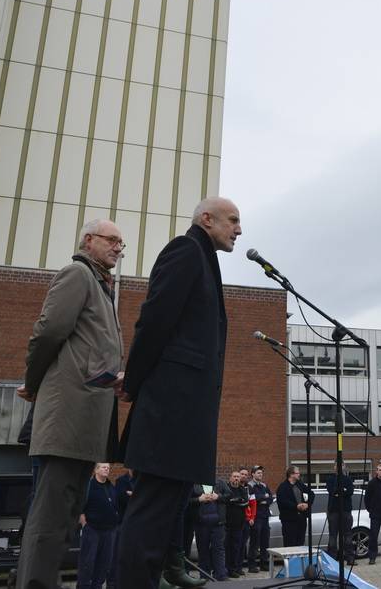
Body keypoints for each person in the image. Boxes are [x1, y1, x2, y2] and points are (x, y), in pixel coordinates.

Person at [116, 198, 241, 588]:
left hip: (183, 413)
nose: (239, 229)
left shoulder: (204, 258)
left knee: (165, 511)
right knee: (151, 511)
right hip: (170, 409)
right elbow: (153, 320)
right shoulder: (185, 250)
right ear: (207, 219)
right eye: (233, 220)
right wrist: (133, 382)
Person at [16, 218, 125, 589]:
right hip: (66, 420)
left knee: (63, 522)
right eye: (112, 240)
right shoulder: (77, 274)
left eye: (121, 243)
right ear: (89, 240)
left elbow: (90, 352)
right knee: (48, 523)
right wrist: (33, 385)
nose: (118, 248)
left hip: (84, 425)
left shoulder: (102, 286)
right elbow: (47, 332)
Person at [78, 463, 120, 589]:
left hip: (109, 531)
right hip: (92, 530)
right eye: (103, 467)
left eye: (108, 467)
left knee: (103, 565)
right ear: (96, 470)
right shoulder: (89, 486)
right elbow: (80, 506)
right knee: (87, 564)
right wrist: (84, 524)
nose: (107, 469)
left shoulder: (110, 486)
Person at [325, 463, 357, 562]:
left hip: (346, 511)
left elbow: (350, 491)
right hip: (333, 511)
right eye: (337, 465)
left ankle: (350, 558)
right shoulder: (330, 479)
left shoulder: (348, 479)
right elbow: (331, 490)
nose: (339, 467)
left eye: (341, 465)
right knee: (333, 535)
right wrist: (342, 490)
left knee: (347, 535)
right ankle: (332, 559)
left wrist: (339, 493)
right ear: (334, 467)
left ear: (344, 467)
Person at [276, 465, 312, 547]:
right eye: (297, 473)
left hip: (301, 519)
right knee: (290, 544)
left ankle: (299, 560)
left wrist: (307, 504)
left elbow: (311, 494)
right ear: (291, 474)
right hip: (289, 520)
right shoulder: (283, 487)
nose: (299, 474)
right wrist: (296, 506)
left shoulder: (300, 485)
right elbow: (282, 502)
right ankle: (291, 560)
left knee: (300, 543)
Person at [223, 471, 249, 578]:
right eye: (234, 476)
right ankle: (224, 569)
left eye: (238, 477)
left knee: (236, 548)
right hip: (226, 523)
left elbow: (245, 502)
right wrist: (236, 500)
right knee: (225, 547)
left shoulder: (242, 489)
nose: (236, 479)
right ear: (230, 478)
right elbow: (225, 500)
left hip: (239, 524)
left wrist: (234, 501)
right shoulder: (226, 488)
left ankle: (233, 569)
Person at [247, 466, 273, 573]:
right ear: (252, 474)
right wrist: (263, 496)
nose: (260, 475)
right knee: (254, 542)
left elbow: (270, 498)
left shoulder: (264, 485)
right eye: (258, 473)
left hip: (265, 516)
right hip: (256, 517)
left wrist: (264, 499)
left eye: (261, 473)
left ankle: (264, 564)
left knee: (264, 542)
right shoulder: (249, 485)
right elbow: (253, 498)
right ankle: (252, 565)